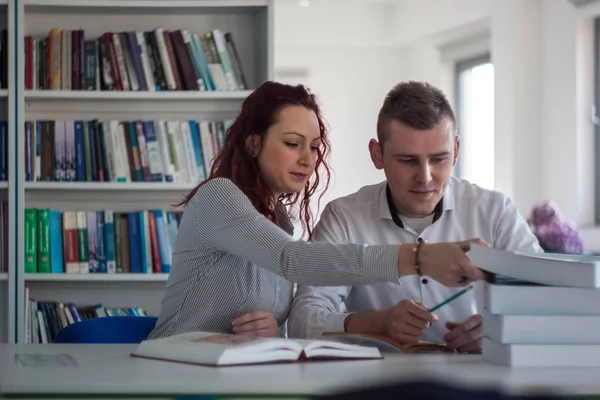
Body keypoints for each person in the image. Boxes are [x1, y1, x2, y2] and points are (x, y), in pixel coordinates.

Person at [147, 81, 488, 340]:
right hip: (172, 375)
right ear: (253, 143)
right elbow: (294, 260)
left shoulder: (280, 223)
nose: (308, 159)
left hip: (229, 380)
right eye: (293, 144)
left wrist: (272, 332)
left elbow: (277, 320)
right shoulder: (219, 196)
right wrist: (419, 258)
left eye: (313, 147)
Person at [287, 81, 543, 353]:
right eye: (408, 160)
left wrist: (500, 329)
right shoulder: (344, 218)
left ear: (456, 151)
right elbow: (302, 321)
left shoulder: (495, 212)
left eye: (439, 159)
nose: (425, 177)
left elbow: (550, 301)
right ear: (377, 154)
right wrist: (377, 323)